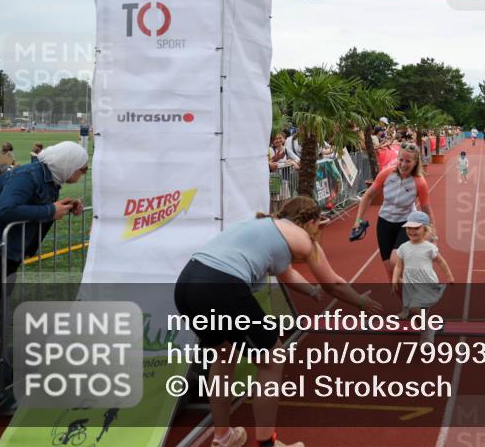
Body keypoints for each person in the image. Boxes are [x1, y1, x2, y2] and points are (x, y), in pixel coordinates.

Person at [174, 197, 381, 447]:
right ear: (310, 222)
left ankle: (223, 436)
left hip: (187, 283)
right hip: (222, 286)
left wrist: (311, 291)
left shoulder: (267, 225)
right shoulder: (303, 238)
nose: (319, 231)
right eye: (319, 225)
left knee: (224, 354)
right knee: (272, 359)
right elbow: (333, 284)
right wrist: (361, 302)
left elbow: (287, 273)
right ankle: (267, 443)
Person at [0, 141, 88, 419]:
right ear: (67, 163)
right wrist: (50, 211)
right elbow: (5, 210)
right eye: (82, 168)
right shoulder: (27, 175)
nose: (82, 173)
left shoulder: (47, 178)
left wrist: (62, 206)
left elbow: (34, 206)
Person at [352, 142, 436, 281]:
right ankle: (403, 294)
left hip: (406, 223)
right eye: (401, 159)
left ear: (415, 162)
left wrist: (433, 233)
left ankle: (417, 286)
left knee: (395, 261)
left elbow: (426, 208)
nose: (403, 164)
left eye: (408, 161)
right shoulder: (386, 173)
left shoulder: (419, 182)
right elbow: (368, 196)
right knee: (390, 271)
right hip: (384, 223)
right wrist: (358, 220)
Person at [392, 212, 454, 343]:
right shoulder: (403, 248)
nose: (412, 231)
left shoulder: (429, 248)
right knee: (417, 312)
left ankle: (426, 331)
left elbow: (441, 262)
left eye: (416, 228)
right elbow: (398, 266)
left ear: (425, 229)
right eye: (409, 228)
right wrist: (394, 279)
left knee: (414, 310)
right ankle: (426, 329)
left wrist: (449, 276)